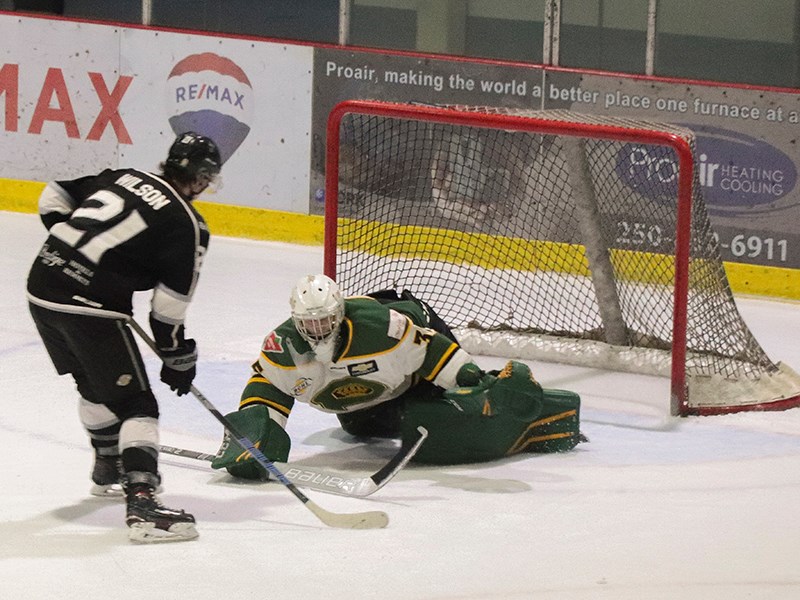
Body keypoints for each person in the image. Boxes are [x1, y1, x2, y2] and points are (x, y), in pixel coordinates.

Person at [26, 132, 222, 543]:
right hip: (89, 307)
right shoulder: (188, 224)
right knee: (137, 404)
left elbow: (53, 195)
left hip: (42, 287)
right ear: (202, 178)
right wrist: (177, 356)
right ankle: (143, 504)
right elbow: (168, 310)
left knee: (96, 386)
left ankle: (107, 466)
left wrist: (69, 249)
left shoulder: (125, 176)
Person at [211, 274, 584, 479]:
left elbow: (432, 351)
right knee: (359, 427)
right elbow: (266, 388)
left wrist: (472, 381)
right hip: (369, 397)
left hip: (417, 337)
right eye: (309, 323)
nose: (318, 329)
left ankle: (536, 417)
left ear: (339, 314)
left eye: (325, 320)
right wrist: (255, 431)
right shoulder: (282, 347)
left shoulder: (383, 329)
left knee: (441, 420)